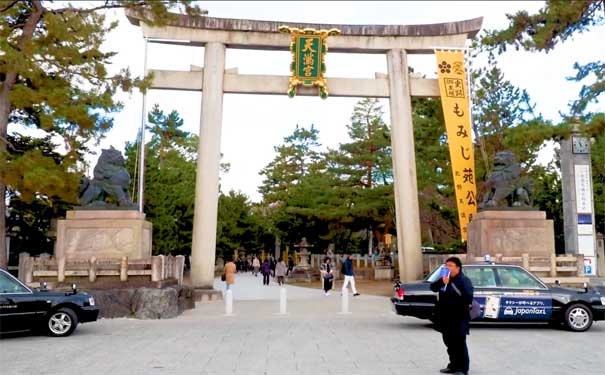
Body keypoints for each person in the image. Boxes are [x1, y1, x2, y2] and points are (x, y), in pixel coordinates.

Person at [430, 256, 474, 375]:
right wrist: (441, 282)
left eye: (450, 266)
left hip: (458, 318)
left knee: (459, 343)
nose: (447, 268)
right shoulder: (444, 278)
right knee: (449, 343)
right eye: (446, 265)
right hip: (445, 317)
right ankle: (453, 365)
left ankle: (463, 369)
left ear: (458, 268)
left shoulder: (464, 281)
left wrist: (453, 301)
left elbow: (468, 297)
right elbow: (432, 287)